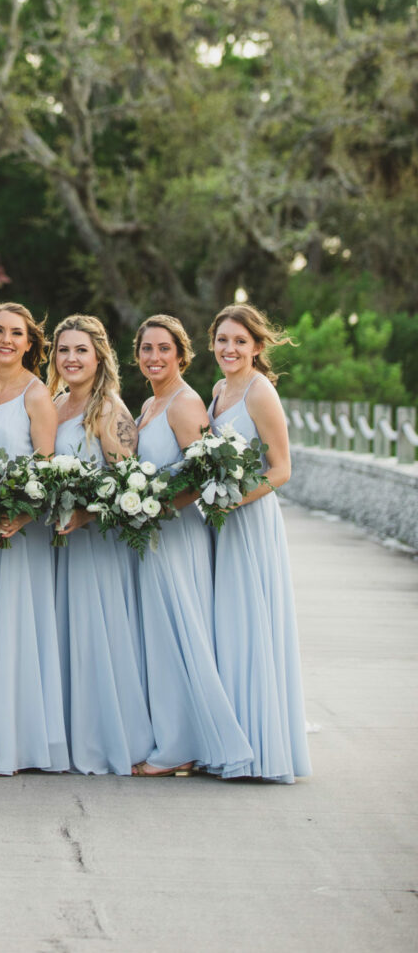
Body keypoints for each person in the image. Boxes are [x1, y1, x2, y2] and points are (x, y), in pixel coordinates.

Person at [131, 314, 252, 777]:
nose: (155, 357)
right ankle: (177, 735)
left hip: (177, 535)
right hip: (154, 536)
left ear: (181, 355)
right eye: (147, 349)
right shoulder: (148, 405)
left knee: (180, 633)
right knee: (162, 637)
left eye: (164, 349)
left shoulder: (185, 404)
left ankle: (183, 745)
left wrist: (157, 508)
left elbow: (204, 478)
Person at [207, 302, 311, 782]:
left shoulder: (259, 391)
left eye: (240, 341)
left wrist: (232, 502)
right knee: (226, 627)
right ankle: (232, 739)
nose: (230, 349)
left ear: (256, 347)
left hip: (249, 521)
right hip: (219, 523)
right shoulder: (217, 391)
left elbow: (282, 470)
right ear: (212, 344)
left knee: (250, 623)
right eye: (223, 340)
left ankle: (263, 749)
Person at [49, 315, 154, 775]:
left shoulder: (109, 409)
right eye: (64, 350)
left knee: (95, 634)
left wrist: (88, 512)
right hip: (56, 543)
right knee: (63, 634)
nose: (71, 359)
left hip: (96, 545)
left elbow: (129, 486)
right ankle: (66, 738)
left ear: (99, 358)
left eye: (80, 351)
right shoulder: (55, 404)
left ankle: (106, 738)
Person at [0, 303, 67, 774]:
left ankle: (15, 742)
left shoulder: (36, 395)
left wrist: (24, 515)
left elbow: (46, 467)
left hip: (15, 531)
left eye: (16, 333)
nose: (5, 340)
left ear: (30, 343)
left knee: (13, 625)